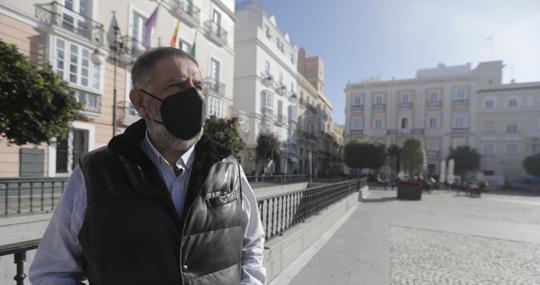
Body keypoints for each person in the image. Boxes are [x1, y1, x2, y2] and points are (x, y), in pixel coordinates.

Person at [29, 48, 266, 285]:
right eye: (177, 86)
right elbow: (51, 272)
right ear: (141, 102)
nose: (195, 96)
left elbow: (252, 244)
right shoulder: (95, 172)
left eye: (198, 85)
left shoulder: (228, 168)